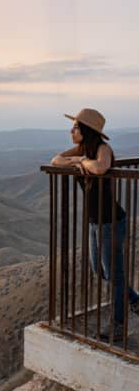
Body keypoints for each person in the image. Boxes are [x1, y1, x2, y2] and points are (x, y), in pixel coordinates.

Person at [50, 108, 139, 341]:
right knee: (98, 268)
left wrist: (82, 162)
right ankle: (136, 301)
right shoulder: (82, 150)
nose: (71, 131)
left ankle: (118, 326)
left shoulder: (102, 149)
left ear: (86, 130)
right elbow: (55, 160)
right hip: (95, 222)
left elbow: (100, 167)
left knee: (114, 274)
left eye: (76, 127)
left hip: (111, 221)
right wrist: (77, 159)